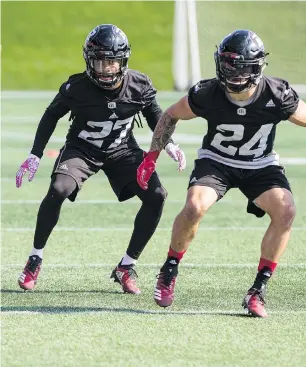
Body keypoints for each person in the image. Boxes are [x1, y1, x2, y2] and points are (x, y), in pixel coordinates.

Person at [137, 29, 306, 317]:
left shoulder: (276, 93)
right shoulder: (208, 92)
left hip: (260, 164)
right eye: (228, 65)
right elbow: (171, 114)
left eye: (241, 66)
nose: (233, 73)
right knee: (195, 206)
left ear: (256, 67)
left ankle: (258, 290)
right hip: (217, 161)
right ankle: (169, 269)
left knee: (286, 210)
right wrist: (151, 156)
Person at [16, 24, 186, 294]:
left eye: (112, 62)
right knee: (59, 189)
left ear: (123, 61)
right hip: (82, 148)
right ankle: (35, 258)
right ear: (88, 61)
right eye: (99, 62)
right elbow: (51, 115)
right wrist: (35, 154)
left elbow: (156, 115)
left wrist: (169, 144)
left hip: (122, 150)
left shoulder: (139, 85)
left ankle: (126, 266)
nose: (105, 69)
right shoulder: (77, 87)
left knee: (157, 195)